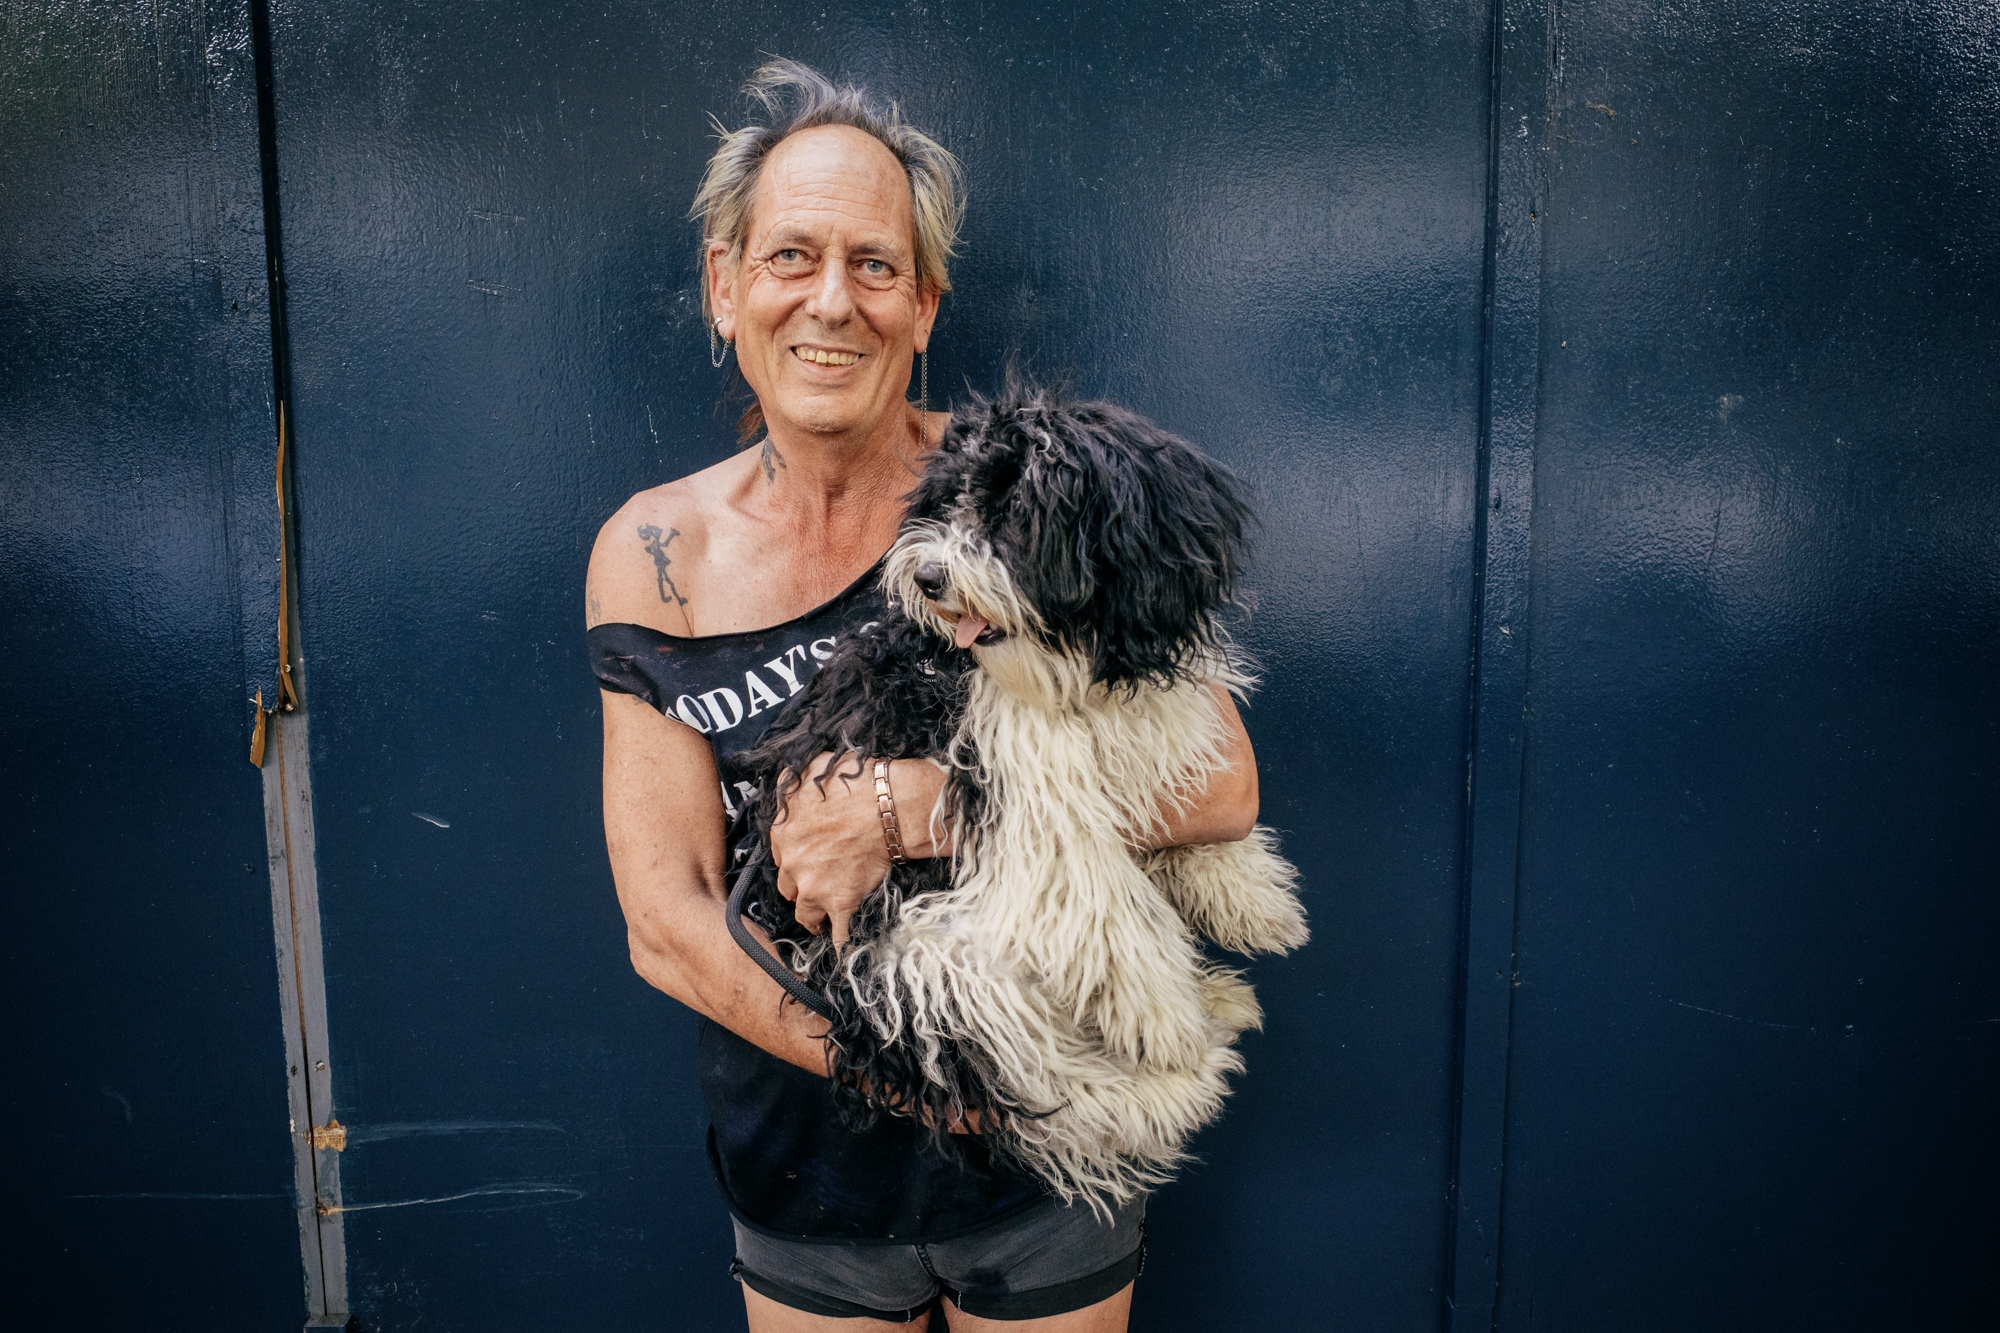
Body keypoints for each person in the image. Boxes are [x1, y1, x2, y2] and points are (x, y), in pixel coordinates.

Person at [586, 60, 1259, 1332]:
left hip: (1052, 1165)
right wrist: (926, 1081)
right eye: (790, 257)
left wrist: (912, 805)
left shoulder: (1029, 492)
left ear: (924, 304)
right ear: (725, 288)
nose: (830, 302)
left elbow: (1220, 780)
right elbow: (662, 919)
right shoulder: (651, 554)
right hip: (807, 1173)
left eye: (873, 265)